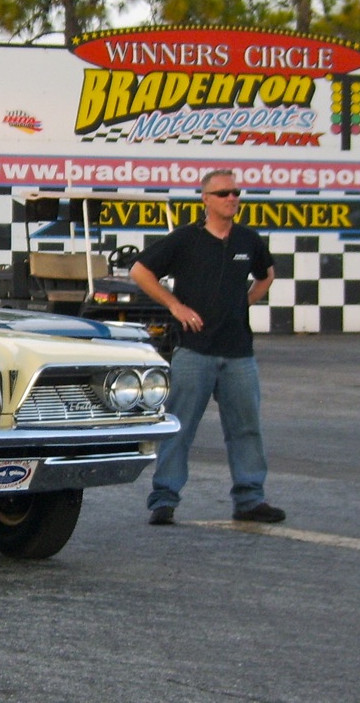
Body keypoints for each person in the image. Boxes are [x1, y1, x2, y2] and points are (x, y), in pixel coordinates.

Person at [130, 168, 284, 526]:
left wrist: (245, 302)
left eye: (236, 192)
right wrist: (174, 306)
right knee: (179, 427)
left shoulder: (248, 240)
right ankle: (164, 500)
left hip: (238, 352)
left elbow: (267, 274)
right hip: (193, 350)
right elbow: (140, 270)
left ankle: (250, 499)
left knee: (246, 428)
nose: (232, 198)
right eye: (224, 193)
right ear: (205, 200)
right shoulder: (186, 239)